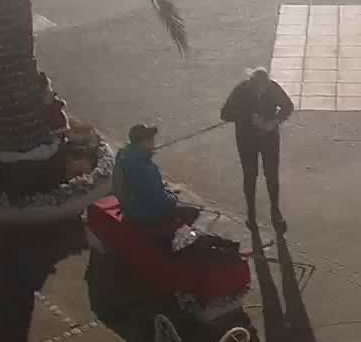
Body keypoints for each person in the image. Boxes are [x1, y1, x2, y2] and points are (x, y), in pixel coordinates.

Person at [220, 67, 295, 230]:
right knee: (250, 174)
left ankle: (275, 209)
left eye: (263, 88)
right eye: (258, 88)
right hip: (247, 139)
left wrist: (274, 122)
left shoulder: (272, 88)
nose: (261, 91)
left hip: (269, 138)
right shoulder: (241, 91)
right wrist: (248, 117)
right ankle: (251, 212)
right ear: (251, 85)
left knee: (271, 174)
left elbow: (288, 106)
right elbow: (225, 114)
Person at [117, 123, 202, 232]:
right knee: (193, 211)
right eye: (150, 139)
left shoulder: (125, 155)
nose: (153, 141)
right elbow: (160, 200)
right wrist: (173, 198)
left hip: (130, 207)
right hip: (144, 213)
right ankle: (173, 239)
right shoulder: (144, 167)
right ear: (142, 143)